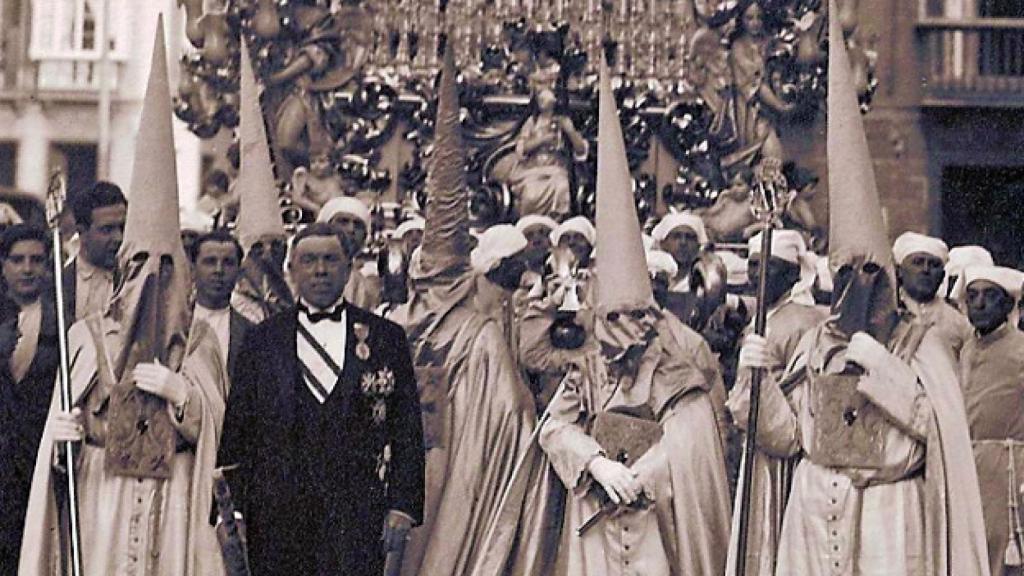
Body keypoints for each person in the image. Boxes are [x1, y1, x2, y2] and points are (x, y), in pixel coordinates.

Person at [733, 6, 988, 573]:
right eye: (845, 274)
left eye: (870, 274)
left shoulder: (918, 345)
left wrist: (873, 358)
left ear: (890, 281)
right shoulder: (814, 345)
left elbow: (932, 428)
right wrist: (755, 381)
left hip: (887, 517)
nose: (857, 286)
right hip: (811, 511)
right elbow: (786, 437)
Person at [20, 23, 228, 575]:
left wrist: (185, 396)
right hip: (102, 497)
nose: (152, 281)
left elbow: (218, 436)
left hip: (175, 499)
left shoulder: (201, 340)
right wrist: (60, 442)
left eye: (165, 269)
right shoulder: (85, 336)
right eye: (140, 267)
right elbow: (59, 444)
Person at [536, 60, 731, 575]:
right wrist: (594, 462)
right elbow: (553, 426)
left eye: (634, 316)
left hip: (656, 522)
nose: (624, 328)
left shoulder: (674, 362)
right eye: (613, 316)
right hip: (595, 515)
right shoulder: (589, 368)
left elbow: (693, 441)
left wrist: (646, 472)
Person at [389, 46, 540, 576]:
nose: (432, 290)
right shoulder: (394, 326)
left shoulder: (478, 335)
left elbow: (508, 420)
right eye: (424, 278)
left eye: (442, 280)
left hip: (453, 477)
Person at [216, 223, 424, 575]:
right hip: (277, 510)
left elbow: (406, 428)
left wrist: (402, 505)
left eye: (330, 259)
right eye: (309, 260)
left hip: (357, 511)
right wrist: (232, 511)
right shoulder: (261, 340)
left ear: (348, 267)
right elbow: (239, 428)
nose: (320, 270)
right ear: (292, 269)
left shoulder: (386, 337)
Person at [725, 229, 826, 576]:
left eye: (769, 266)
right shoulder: (763, 316)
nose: (758, 275)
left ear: (793, 273)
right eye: (753, 265)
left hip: (783, 444)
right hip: (756, 439)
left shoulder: (803, 320)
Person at [958, 265, 1024, 576]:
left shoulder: (1021, 349)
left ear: (1009, 304)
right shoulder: (963, 350)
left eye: (990, 296)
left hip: (1009, 473)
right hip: (965, 470)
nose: (980, 304)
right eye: (973, 296)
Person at [0, 225, 58, 569]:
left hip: (35, 463)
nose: (27, 269)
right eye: (18, 260)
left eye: (36, 260)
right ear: (3, 265)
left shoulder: (61, 322)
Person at [506, 88, 589, 219]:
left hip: (556, 169)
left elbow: (580, 150)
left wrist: (570, 131)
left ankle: (557, 220)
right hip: (533, 170)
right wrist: (542, 140)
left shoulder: (562, 122)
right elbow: (522, 148)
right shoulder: (532, 123)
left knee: (562, 187)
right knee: (531, 194)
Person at [893, 231, 972, 361]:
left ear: (942, 276)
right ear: (900, 271)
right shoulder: (888, 311)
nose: (925, 270)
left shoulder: (959, 324)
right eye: (917, 262)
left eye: (934, 265)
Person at [190, 230, 252, 379]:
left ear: (239, 271)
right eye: (210, 262)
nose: (218, 270)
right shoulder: (173, 326)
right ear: (192, 269)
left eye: (228, 263)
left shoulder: (250, 334)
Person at [63, 180, 127, 321]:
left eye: (122, 228)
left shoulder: (133, 283)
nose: (119, 238)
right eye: (107, 229)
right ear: (82, 232)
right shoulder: (57, 286)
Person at [319, 196, 380, 310]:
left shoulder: (367, 287)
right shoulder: (300, 271)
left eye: (358, 225)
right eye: (343, 222)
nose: (351, 229)